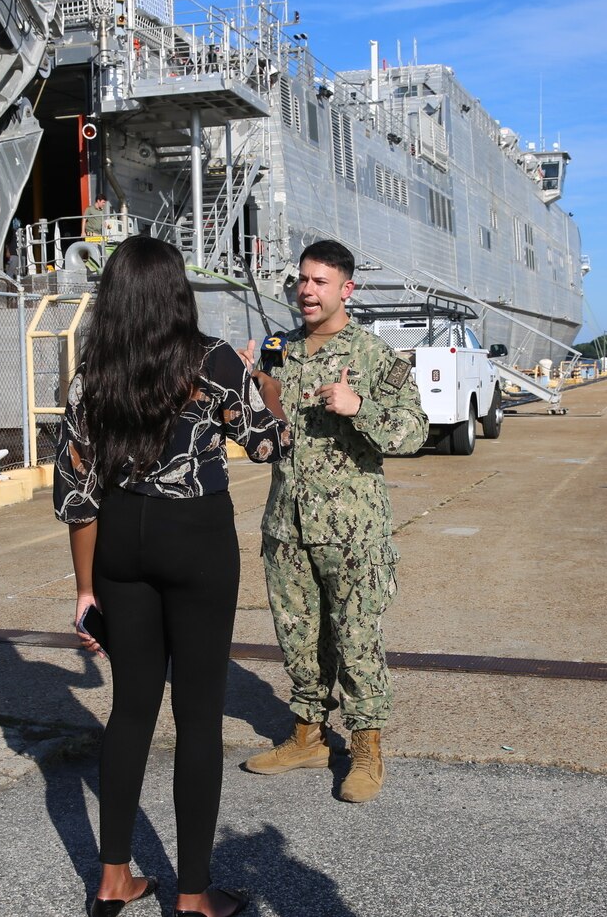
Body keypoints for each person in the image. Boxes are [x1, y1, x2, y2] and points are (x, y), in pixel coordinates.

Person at [53, 236, 288, 917]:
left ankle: (113, 878)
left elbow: (75, 490)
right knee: (197, 716)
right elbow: (269, 439)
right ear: (178, 293)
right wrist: (266, 388)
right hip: (197, 538)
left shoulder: (93, 373)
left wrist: (85, 589)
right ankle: (192, 894)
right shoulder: (211, 358)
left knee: (129, 709)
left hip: (121, 538)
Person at [243, 239, 427, 803]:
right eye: (302, 279)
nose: (306, 290)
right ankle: (308, 735)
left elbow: (414, 432)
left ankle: (367, 745)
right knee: (298, 637)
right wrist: (261, 388)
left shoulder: (375, 356)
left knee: (356, 638)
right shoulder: (280, 349)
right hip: (288, 525)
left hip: (351, 530)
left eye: (320, 281)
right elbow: (275, 433)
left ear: (347, 288)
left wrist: (358, 407)